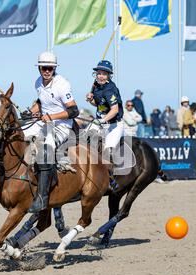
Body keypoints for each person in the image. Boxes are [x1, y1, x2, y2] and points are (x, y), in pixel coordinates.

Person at [20, 51, 79, 213]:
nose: (47, 71)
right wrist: (30, 112)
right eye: (44, 68)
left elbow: (74, 111)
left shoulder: (62, 84)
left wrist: (51, 116)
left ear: (54, 69)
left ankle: (42, 198)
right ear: (39, 68)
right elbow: (41, 101)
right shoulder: (38, 82)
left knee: (46, 150)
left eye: (50, 68)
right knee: (19, 134)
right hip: (44, 122)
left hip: (62, 126)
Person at [86, 60, 124, 190]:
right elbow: (99, 105)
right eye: (99, 73)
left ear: (109, 76)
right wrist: (91, 100)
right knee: (81, 140)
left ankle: (112, 179)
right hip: (100, 121)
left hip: (113, 125)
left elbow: (114, 110)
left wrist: (102, 121)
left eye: (104, 74)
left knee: (107, 151)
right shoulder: (96, 86)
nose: (101, 76)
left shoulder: (110, 89)